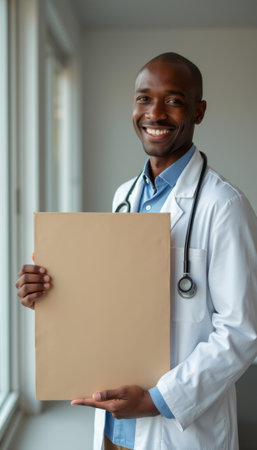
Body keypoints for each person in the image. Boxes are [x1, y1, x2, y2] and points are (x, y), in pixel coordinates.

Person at [16, 53, 257, 450]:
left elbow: (240, 332)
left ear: (198, 112)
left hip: (178, 426)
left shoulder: (224, 206)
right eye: (144, 98)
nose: (155, 113)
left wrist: (157, 400)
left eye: (173, 100)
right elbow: (113, 301)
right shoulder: (124, 196)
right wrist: (49, 293)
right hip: (114, 425)